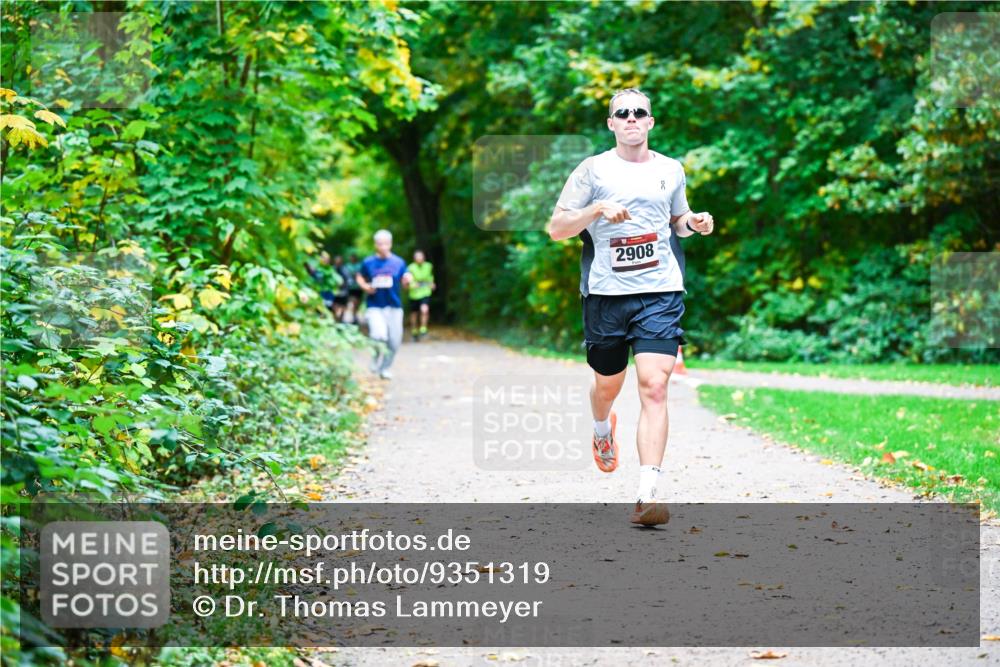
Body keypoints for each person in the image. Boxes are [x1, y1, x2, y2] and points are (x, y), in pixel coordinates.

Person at [547, 87, 715, 526]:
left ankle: (646, 493)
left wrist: (693, 223)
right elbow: (557, 228)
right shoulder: (592, 171)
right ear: (611, 123)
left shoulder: (671, 170)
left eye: (640, 112)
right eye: (622, 113)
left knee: (654, 387)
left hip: (660, 291)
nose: (631, 118)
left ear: (651, 122)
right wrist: (597, 209)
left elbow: (678, 219)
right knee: (608, 383)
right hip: (606, 295)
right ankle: (602, 427)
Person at [356, 230, 412, 379]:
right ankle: (375, 357)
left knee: (394, 341)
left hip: (394, 306)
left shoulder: (398, 262)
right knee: (378, 335)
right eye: (380, 244)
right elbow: (360, 276)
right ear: (375, 245)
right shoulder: (368, 262)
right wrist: (365, 287)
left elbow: (406, 279)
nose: (383, 247)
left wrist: (407, 280)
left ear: (390, 244)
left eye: (386, 243)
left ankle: (385, 368)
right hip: (375, 306)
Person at [304, 251, 343, 319]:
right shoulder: (316, 269)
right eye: (323, 258)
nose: (325, 260)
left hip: (329, 294)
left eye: (327, 259)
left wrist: (336, 288)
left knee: (329, 311)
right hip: (318, 293)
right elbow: (310, 276)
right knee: (319, 311)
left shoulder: (331, 270)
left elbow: (339, 281)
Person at [407, 249, 436, 341]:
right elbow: (408, 280)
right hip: (414, 294)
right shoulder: (410, 267)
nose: (419, 259)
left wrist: (431, 284)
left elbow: (430, 277)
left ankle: (423, 329)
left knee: (424, 309)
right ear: (414, 259)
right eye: (417, 257)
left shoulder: (429, 266)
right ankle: (414, 330)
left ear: (424, 258)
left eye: (421, 257)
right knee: (414, 313)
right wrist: (412, 284)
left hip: (425, 292)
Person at [342, 252, 363, 325]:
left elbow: (361, 275)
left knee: (357, 303)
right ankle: (345, 317)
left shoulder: (359, 266)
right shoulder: (347, 266)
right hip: (349, 287)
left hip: (358, 287)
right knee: (349, 301)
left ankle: (354, 316)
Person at [331, 255, 350, 321]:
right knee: (334, 305)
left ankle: (340, 319)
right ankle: (335, 318)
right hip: (334, 291)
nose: (338, 262)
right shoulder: (332, 269)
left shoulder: (345, 269)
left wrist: (343, 285)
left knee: (343, 306)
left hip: (344, 291)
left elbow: (348, 280)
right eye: (336, 261)